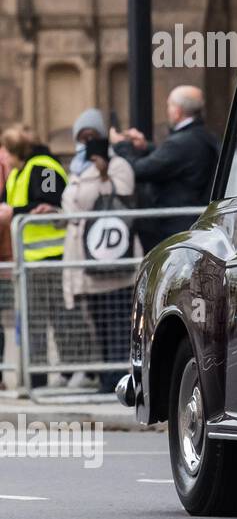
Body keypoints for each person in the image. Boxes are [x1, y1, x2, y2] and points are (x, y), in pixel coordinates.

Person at [61, 112, 138, 393]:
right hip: (86, 258)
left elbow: (121, 199)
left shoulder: (118, 165)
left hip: (112, 257)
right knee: (97, 320)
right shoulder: (75, 170)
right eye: (82, 137)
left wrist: (104, 173)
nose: (87, 143)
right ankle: (107, 376)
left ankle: (116, 378)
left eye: (92, 136)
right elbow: (70, 206)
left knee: (117, 319)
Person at [110, 85, 220, 253]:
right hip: (192, 220)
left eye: (169, 106)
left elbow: (139, 170)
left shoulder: (180, 143)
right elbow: (174, 163)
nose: (167, 111)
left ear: (177, 111)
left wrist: (121, 146)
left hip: (176, 226)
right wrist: (146, 147)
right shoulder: (202, 135)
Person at [0, 125, 69, 391]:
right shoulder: (19, 172)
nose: (3, 155)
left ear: (16, 151)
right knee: (33, 320)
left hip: (53, 255)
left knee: (60, 317)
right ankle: (37, 376)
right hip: (29, 260)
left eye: (5, 150)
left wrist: (13, 211)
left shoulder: (43, 167)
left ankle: (72, 369)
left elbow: (49, 201)